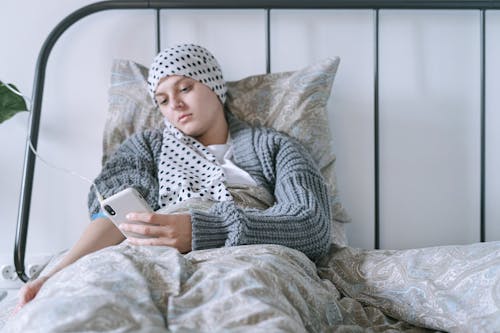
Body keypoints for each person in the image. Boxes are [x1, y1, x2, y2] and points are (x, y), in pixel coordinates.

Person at [15, 43, 332, 311]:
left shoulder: (274, 146)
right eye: (163, 100)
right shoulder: (144, 148)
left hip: (248, 259)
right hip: (147, 258)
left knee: (245, 305)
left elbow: (311, 225)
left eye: (184, 87)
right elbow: (117, 217)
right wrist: (55, 274)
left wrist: (204, 230)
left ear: (214, 86)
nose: (175, 104)